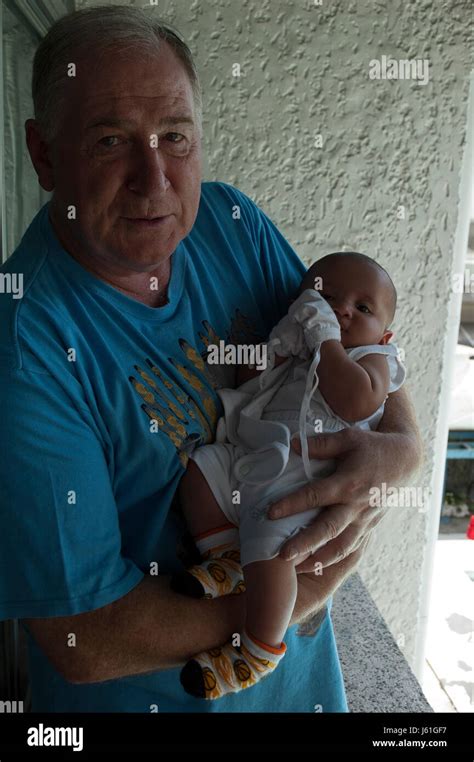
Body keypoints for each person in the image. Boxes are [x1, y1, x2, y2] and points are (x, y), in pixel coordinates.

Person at [0, 6, 422, 713]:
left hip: (304, 693)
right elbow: (86, 638)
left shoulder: (231, 223)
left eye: (175, 137)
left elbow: (361, 340)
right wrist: (290, 596)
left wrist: (402, 447)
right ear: (45, 156)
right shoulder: (28, 349)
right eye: (110, 142)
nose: (153, 177)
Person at [172, 253, 407, 699]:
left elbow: (353, 401)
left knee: (272, 536)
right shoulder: (304, 342)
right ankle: (226, 556)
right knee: (203, 470)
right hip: (260, 458)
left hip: (308, 483)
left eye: (362, 308)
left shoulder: (375, 360)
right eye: (329, 297)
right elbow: (248, 380)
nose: (341, 311)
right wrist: (280, 344)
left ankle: (259, 647)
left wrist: (325, 341)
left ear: (386, 333)